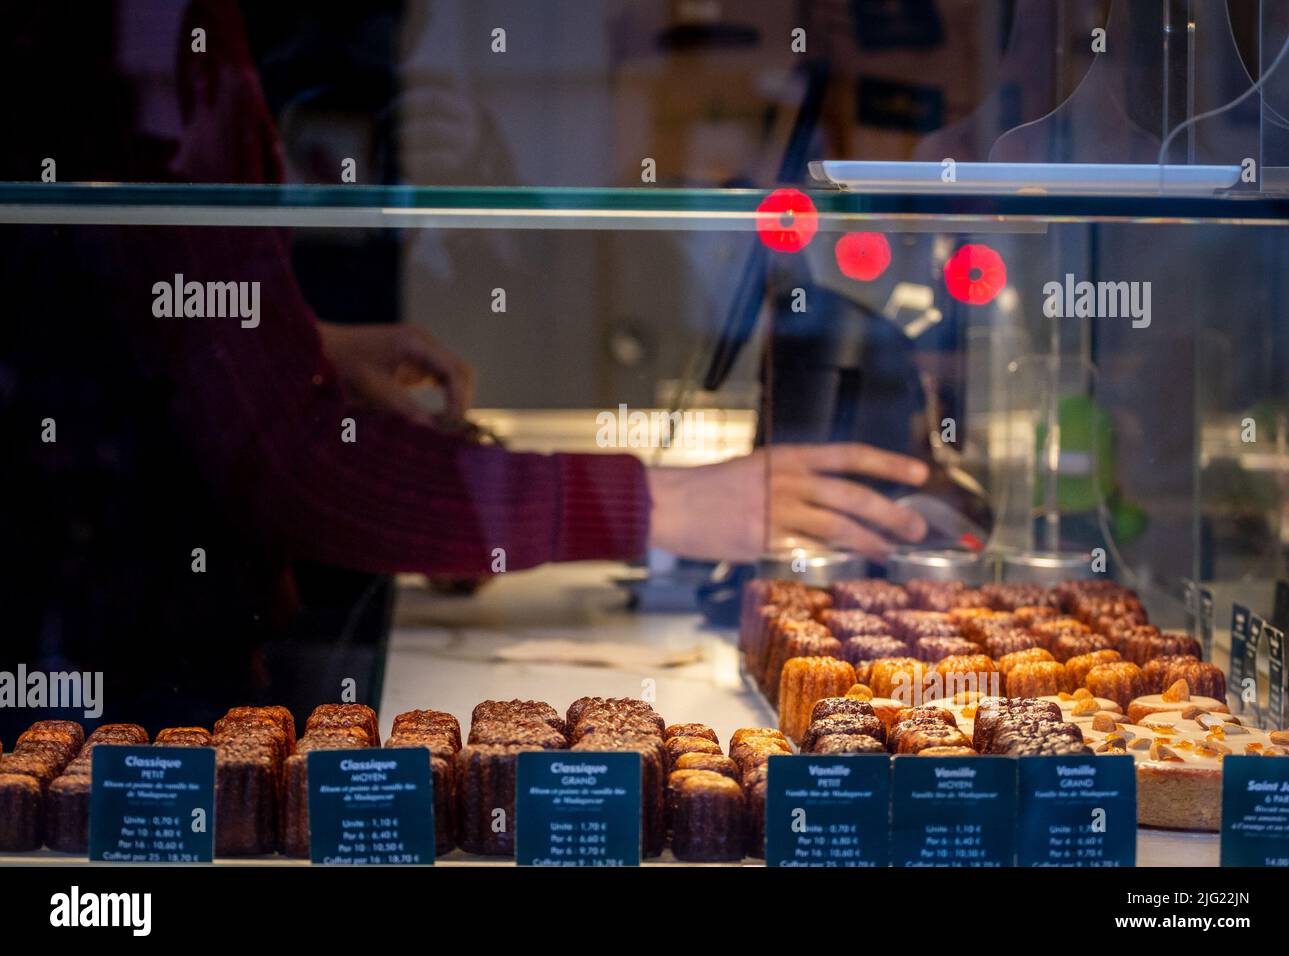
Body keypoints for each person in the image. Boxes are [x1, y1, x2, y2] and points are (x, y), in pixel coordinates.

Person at [0, 0, 927, 735]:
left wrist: (297, 343)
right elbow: (294, 466)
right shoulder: (141, 30)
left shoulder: (178, 33)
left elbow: (117, 311)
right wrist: (667, 506)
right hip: (108, 653)